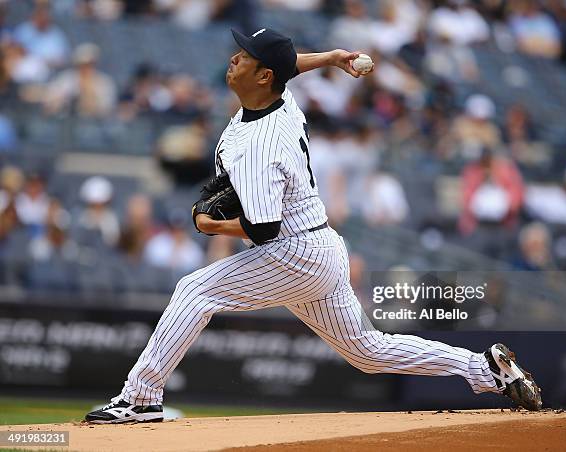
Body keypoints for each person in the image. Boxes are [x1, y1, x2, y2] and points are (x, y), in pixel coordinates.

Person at [85, 28, 541, 423]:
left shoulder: (260, 145)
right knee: (368, 351)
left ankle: (140, 398)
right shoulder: (280, 98)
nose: (233, 58)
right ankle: (485, 368)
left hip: (292, 251)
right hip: (321, 246)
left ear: (263, 76)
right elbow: (288, 66)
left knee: (194, 291)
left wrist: (207, 224)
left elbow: (263, 229)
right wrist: (330, 57)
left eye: (244, 56)